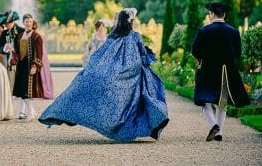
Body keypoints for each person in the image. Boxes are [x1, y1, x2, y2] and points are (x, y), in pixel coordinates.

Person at [39, 8, 169, 141]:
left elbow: (100, 54)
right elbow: (143, 55)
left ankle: (60, 112)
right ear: (130, 22)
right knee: (135, 101)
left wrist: (93, 67)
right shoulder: (135, 36)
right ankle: (131, 127)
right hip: (133, 76)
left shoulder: (113, 36)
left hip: (119, 74)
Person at [191, 2, 250, 142]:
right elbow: (237, 53)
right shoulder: (234, 32)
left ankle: (214, 125)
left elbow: (195, 51)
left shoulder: (204, 31)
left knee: (203, 100)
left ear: (212, 14)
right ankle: (219, 133)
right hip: (227, 72)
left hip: (208, 71)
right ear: (223, 15)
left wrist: (202, 59)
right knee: (222, 103)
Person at [12, 13, 46, 121]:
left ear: (33, 23)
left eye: (30, 21)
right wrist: (13, 57)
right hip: (21, 66)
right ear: (23, 23)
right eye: (27, 22)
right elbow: (17, 51)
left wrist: (35, 66)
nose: (29, 24)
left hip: (29, 65)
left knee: (27, 91)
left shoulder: (36, 36)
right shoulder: (19, 36)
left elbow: (39, 53)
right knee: (22, 90)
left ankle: (31, 112)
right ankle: (28, 112)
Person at [0, 10, 24, 90]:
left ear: (12, 22)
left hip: (20, 60)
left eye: (6, 23)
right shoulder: (4, 33)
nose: (5, 25)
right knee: (9, 83)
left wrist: (15, 48)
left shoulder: (21, 31)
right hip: (8, 61)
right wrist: (5, 48)